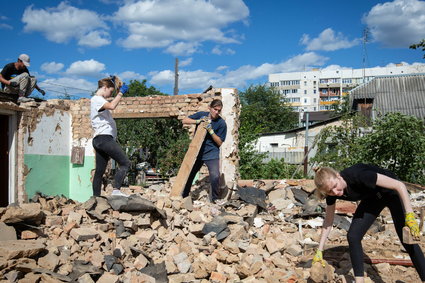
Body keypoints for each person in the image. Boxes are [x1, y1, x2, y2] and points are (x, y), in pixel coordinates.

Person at [312, 163, 425, 283]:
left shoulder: (358, 176)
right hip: (373, 198)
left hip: (392, 193)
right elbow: (328, 221)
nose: (335, 192)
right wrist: (320, 250)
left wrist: (410, 216)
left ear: (338, 176)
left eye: (335, 186)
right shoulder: (332, 194)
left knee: (406, 239)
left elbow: (399, 185)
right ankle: (359, 281)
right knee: (353, 236)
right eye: (330, 191)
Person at [90, 75, 130, 197]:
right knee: (125, 163)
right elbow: (112, 106)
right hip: (104, 138)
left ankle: (96, 198)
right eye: (110, 91)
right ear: (105, 87)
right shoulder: (97, 99)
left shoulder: (98, 101)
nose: (110, 94)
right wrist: (121, 93)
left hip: (99, 139)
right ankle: (116, 191)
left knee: (99, 172)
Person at [182, 99, 227, 202]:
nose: (216, 112)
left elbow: (219, 143)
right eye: (215, 109)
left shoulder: (221, 123)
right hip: (197, 151)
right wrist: (197, 121)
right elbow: (184, 120)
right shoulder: (202, 115)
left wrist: (211, 131)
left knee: (215, 176)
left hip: (211, 153)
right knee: (190, 174)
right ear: (209, 108)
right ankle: (184, 196)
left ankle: (215, 199)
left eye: (219, 110)